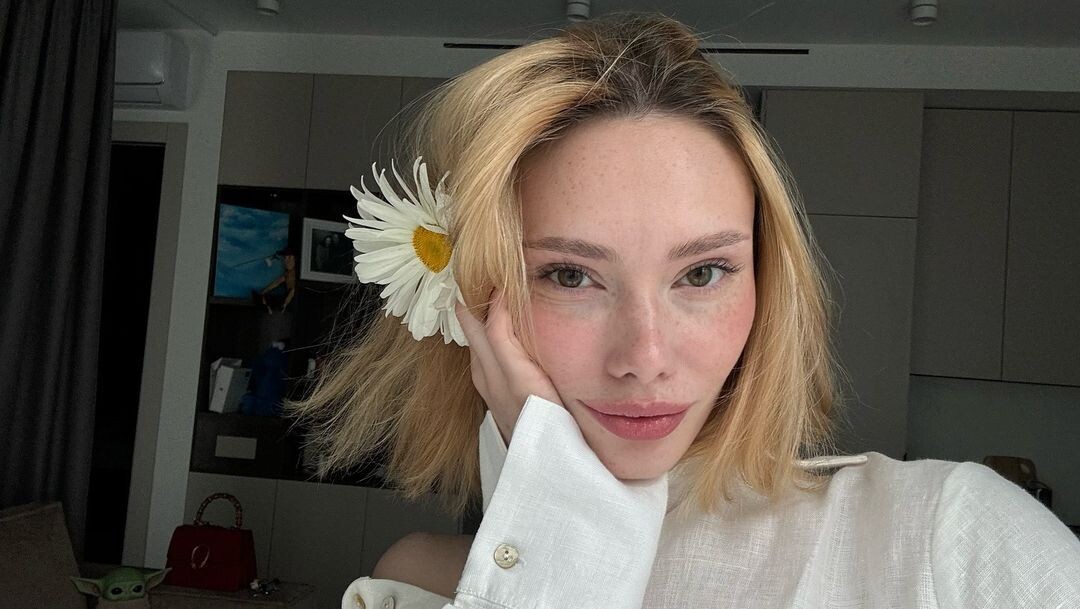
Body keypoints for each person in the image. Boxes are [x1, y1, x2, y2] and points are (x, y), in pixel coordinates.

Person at [286, 13, 1080, 609]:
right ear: (473, 302)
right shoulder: (422, 584)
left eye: (702, 272)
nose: (646, 356)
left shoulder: (950, 540)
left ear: (766, 284)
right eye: (570, 275)